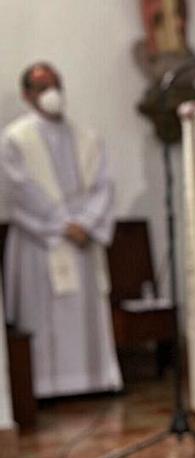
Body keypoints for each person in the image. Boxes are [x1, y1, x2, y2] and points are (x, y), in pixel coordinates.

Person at [2, 62, 121, 399]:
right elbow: (19, 189)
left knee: (85, 315)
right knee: (47, 315)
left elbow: (104, 186)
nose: (51, 93)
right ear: (27, 95)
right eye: (41, 87)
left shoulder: (87, 137)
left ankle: (94, 379)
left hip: (83, 239)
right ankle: (45, 385)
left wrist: (84, 223)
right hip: (42, 242)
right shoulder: (14, 139)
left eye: (55, 84)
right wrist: (62, 224)